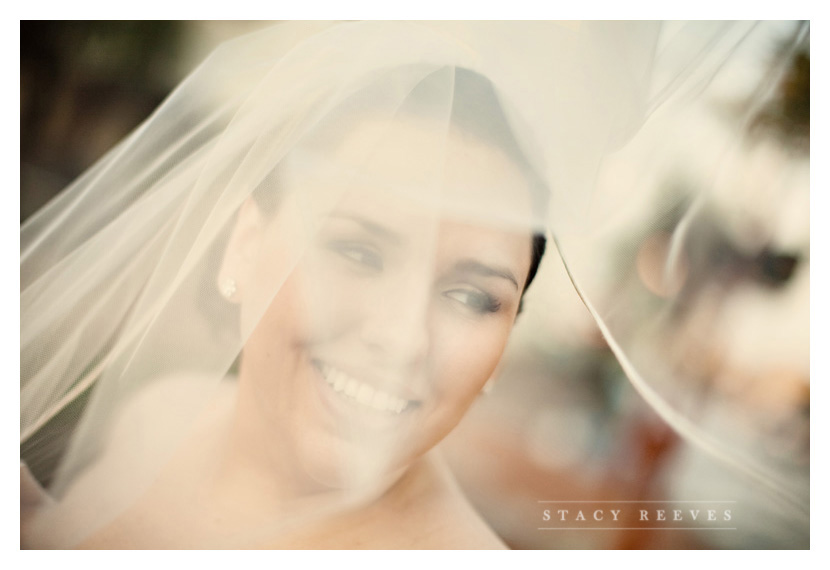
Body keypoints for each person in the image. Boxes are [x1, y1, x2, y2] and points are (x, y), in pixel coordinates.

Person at [21, 21, 809, 549]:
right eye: (359, 252)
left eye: (473, 296)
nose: (401, 337)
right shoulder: (157, 415)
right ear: (243, 243)